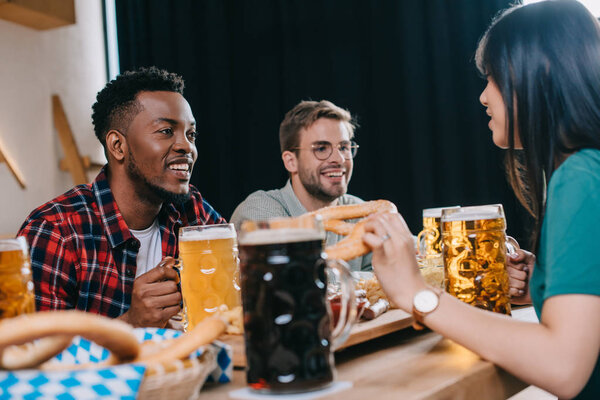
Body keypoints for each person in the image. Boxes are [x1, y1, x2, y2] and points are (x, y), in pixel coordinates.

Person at [362, 1, 600, 398]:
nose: (483, 97)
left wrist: (416, 293)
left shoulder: (579, 178)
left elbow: (563, 365)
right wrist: (547, 279)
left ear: (538, 74)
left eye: (491, 78)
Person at [18, 67, 226, 328]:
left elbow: (233, 297)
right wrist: (132, 323)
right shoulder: (55, 231)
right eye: (166, 131)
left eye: (191, 134)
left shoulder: (192, 211)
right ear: (118, 146)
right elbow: (35, 357)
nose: (187, 146)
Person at [231, 100, 371, 272]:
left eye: (344, 147)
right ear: (291, 162)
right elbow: (293, 283)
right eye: (321, 148)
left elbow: (387, 284)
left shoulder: (362, 213)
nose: (339, 159)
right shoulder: (261, 212)